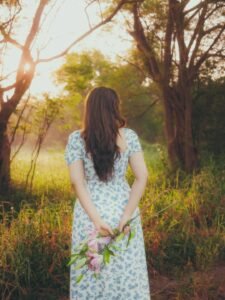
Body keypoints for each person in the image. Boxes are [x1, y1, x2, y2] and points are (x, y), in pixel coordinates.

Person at [65, 86, 151, 299]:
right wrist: (126, 215)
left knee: (92, 274)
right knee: (125, 272)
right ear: (114, 107)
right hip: (123, 209)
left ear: (89, 109)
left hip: (90, 213)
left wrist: (96, 221)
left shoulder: (76, 139)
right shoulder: (129, 136)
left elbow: (78, 183)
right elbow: (142, 177)